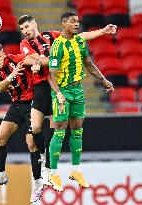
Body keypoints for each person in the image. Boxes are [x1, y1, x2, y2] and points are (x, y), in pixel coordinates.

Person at [18, 14, 117, 186]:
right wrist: (37, 62)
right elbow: (30, 59)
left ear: (34, 24)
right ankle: (44, 158)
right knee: (36, 128)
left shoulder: (52, 36)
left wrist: (102, 31)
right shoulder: (25, 44)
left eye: (27, 27)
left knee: (62, 128)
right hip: (44, 87)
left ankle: (55, 169)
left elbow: (78, 37)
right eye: (22, 29)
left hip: (61, 86)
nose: (25, 31)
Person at [48, 11, 114, 192]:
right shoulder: (57, 46)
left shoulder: (79, 41)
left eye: (78, 21)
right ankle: (53, 173)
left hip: (78, 90)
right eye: (73, 21)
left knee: (77, 130)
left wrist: (103, 80)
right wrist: (59, 94)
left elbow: (88, 62)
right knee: (60, 129)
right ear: (64, 24)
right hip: (63, 91)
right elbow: (50, 76)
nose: (77, 24)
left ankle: (76, 171)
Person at [0, 42, 44, 203]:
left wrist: (35, 65)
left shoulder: (17, 59)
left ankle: (38, 182)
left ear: (3, 54)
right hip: (17, 105)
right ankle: (1, 175)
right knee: (0, 138)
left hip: (33, 103)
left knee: (31, 143)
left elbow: (33, 59)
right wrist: (11, 76)